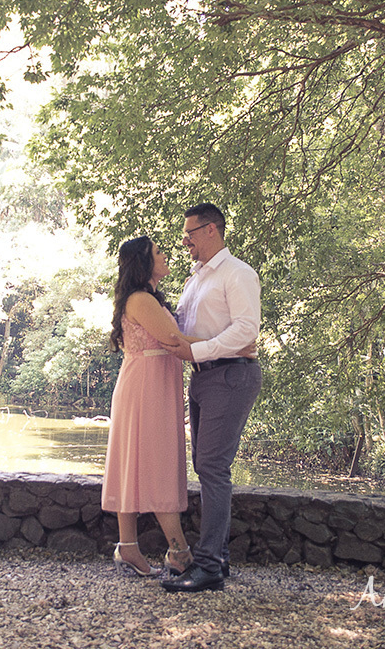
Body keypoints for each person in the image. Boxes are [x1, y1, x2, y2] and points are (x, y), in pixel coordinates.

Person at [160, 203, 262, 593]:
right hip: (203, 378)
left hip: (231, 376)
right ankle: (217, 558)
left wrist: (197, 352)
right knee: (205, 468)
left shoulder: (237, 274)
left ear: (212, 231)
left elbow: (246, 330)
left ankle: (209, 567)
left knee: (213, 468)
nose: (184, 240)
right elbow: (185, 328)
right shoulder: (195, 279)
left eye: (190, 233)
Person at [101, 236, 195, 576]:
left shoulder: (149, 298)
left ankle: (128, 547)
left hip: (152, 382)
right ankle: (179, 552)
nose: (166, 254)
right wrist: (231, 343)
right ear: (143, 262)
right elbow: (174, 340)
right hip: (146, 386)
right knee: (156, 463)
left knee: (136, 462)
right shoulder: (140, 299)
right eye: (159, 252)